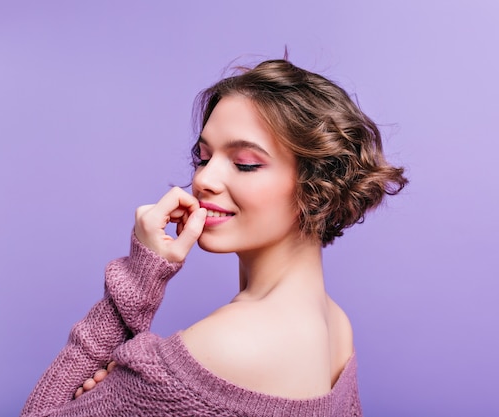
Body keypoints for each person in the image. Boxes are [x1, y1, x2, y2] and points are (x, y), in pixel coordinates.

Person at [20, 58, 407, 416]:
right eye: (203, 157)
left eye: (245, 163)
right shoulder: (335, 326)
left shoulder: (228, 344)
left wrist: (139, 278)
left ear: (317, 184)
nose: (203, 179)